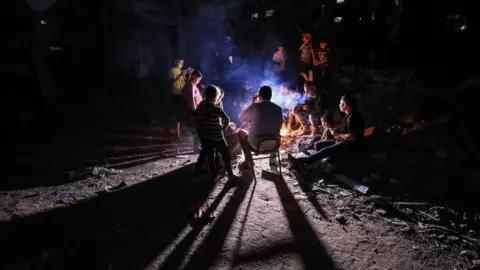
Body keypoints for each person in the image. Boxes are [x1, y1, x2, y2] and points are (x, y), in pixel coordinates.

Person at [293, 94, 365, 167]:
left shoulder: (353, 117)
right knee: (317, 145)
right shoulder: (348, 116)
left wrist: (338, 134)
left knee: (326, 150)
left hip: (351, 145)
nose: (339, 105)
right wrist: (328, 127)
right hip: (342, 141)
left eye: (340, 103)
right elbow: (342, 131)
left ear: (344, 105)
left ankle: (303, 161)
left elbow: (352, 137)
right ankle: (334, 159)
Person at [194, 85, 237, 180]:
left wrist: (201, 125)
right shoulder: (217, 109)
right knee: (225, 153)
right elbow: (227, 119)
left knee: (210, 154)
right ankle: (230, 174)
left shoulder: (202, 104)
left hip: (206, 136)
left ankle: (213, 173)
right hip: (217, 136)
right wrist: (223, 128)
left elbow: (196, 116)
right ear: (215, 97)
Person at [238, 85, 283, 169]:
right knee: (275, 130)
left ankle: (249, 161)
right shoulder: (278, 109)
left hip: (257, 144)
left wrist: (252, 104)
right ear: (270, 96)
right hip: (274, 144)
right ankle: (273, 160)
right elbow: (279, 125)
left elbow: (241, 118)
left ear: (259, 96)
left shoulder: (255, 107)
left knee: (241, 133)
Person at [169, 59, 188, 136]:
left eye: (183, 63)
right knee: (176, 112)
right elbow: (172, 83)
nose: (181, 64)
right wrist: (180, 75)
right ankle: (174, 130)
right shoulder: (173, 70)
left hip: (182, 93)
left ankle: (179, 130)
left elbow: (185, 82)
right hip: (176, 94)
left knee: (181, 112)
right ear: (176, 62)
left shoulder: (182, 71)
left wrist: (188, 74)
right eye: (180, 62)